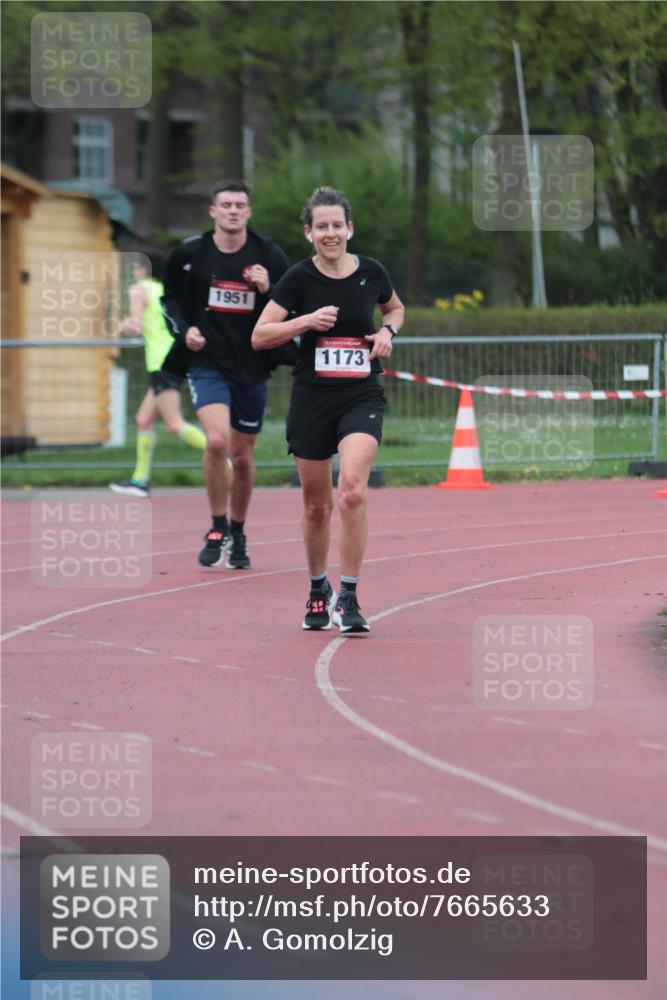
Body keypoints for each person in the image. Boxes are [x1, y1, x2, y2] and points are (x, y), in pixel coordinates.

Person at [252, 187, 404, 633]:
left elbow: (394, 308)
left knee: (352, 490)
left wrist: (388, 334)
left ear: (349, 229)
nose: (331, 233)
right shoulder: (298, 279)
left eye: (338, 225)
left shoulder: (372, 271)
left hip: (361, 394)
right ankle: (319, 589)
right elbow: (260, 336)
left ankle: (350, 597)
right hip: (312, 398)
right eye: (322, 226)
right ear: (309, 233)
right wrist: (305, 321)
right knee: (317, 506)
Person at [162, 180, 289, 568]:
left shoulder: (268, 254)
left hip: (251, 365)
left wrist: (269, 290)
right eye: (226, 204)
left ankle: (238, 530)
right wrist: (186, 331)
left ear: (248, 212)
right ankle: (217, 526)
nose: (233, 210)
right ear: (214, 212)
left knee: (243, 457)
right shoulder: (191, 254)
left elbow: (293, 305)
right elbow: (169, 302)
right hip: (207, 363)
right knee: (216, 442)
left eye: (240, 205)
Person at [110, 254, 206, 498]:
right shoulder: (164, 290)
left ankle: (223, 456)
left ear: (143, 269)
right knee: (143, 419)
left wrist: (115, 327)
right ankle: (140, 480)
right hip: (171, 358)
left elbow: (135, 325)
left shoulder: (139, 289)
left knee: (174, 424)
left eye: (136, 268)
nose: (134, 272)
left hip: (163, 362)